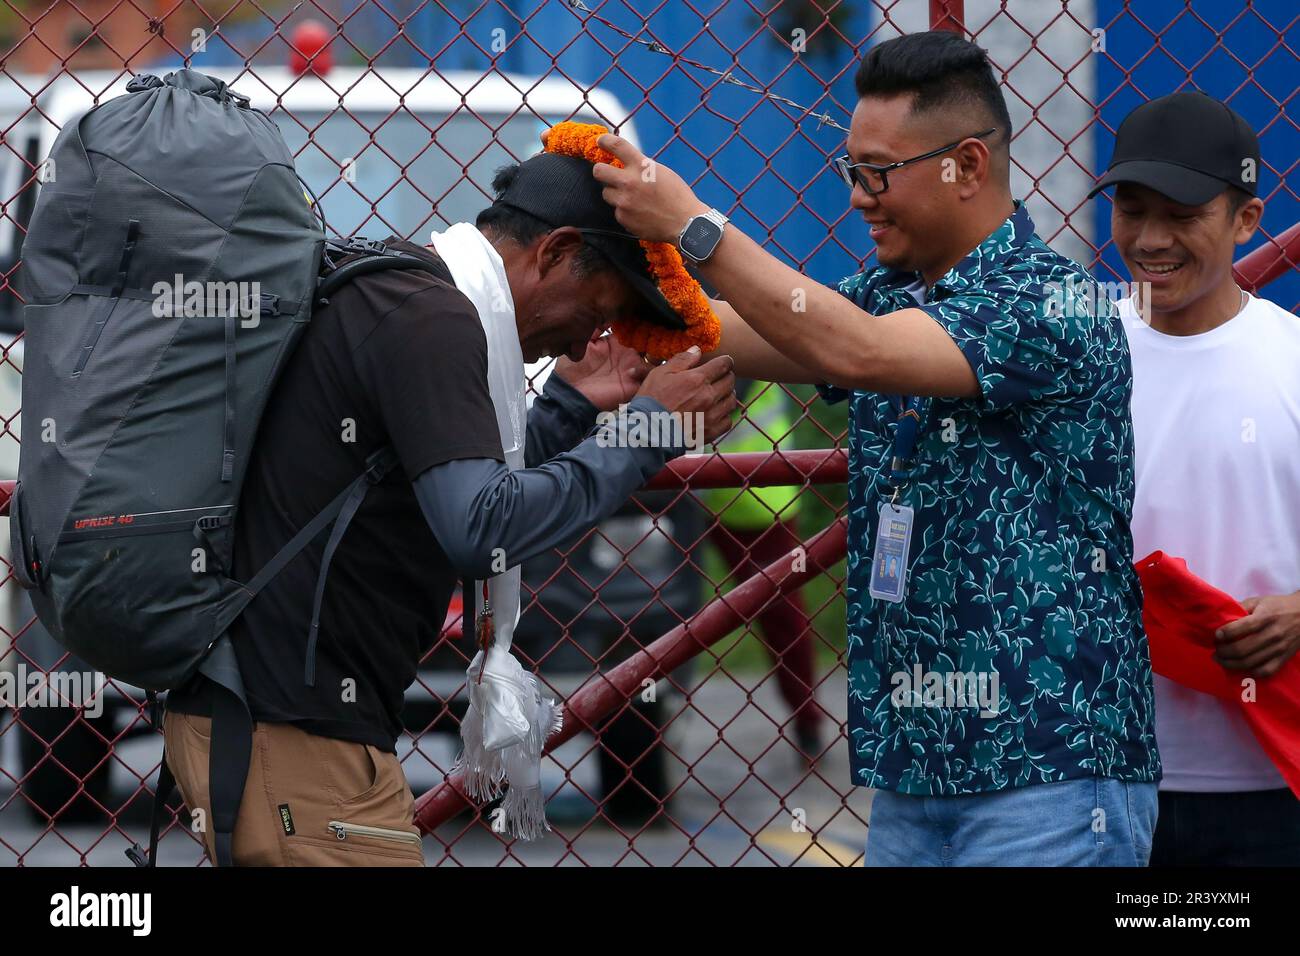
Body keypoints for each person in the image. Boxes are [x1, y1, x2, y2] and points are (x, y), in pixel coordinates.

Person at [586, 29, 1161, 865]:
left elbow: (859, 350)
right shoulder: (893, 291)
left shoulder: (1050, 302)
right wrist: (607, 295)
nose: (858, 197)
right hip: (916, 775)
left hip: (1049, 768)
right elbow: (747, 331)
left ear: (966, 164)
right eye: (851, 171)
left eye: (877, 172)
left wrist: (697, 229)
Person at [162, 151, 737, 866]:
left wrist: (567, 408)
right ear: (556, 253)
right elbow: (483, 528)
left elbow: (432, 479)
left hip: (275, 722)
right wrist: (646, 434)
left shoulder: (415, 292)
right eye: (599, 312)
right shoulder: (432, 318)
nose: (593, 339)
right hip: (293, 737)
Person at [1090, 90, 1300, 866]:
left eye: (1182, 215)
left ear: (1248, 220)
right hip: (1100, 775)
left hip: (1274, 774)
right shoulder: (1077, 357)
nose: (1149, 240)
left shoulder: (1292, 360)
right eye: (1132, 210)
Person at [703, 378, 826, 762]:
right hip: (685, 491)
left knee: (782, 616)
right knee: (653, 609)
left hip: (754, 493)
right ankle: (643, 730)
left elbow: (730, 386)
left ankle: (807, 722)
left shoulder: (731, 322)